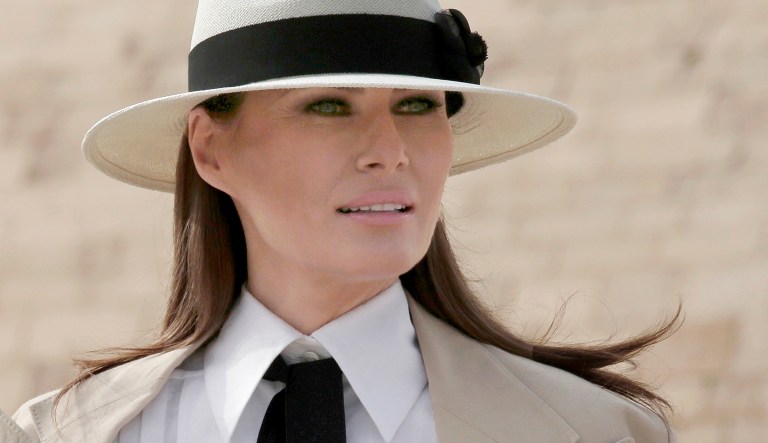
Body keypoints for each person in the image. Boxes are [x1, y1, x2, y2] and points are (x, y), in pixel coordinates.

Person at [12, 1, 679, 442]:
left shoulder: (596, 432)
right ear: (212, 148)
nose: (390, 149)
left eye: (419, 104)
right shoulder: (62, 436)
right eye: (330, 106)